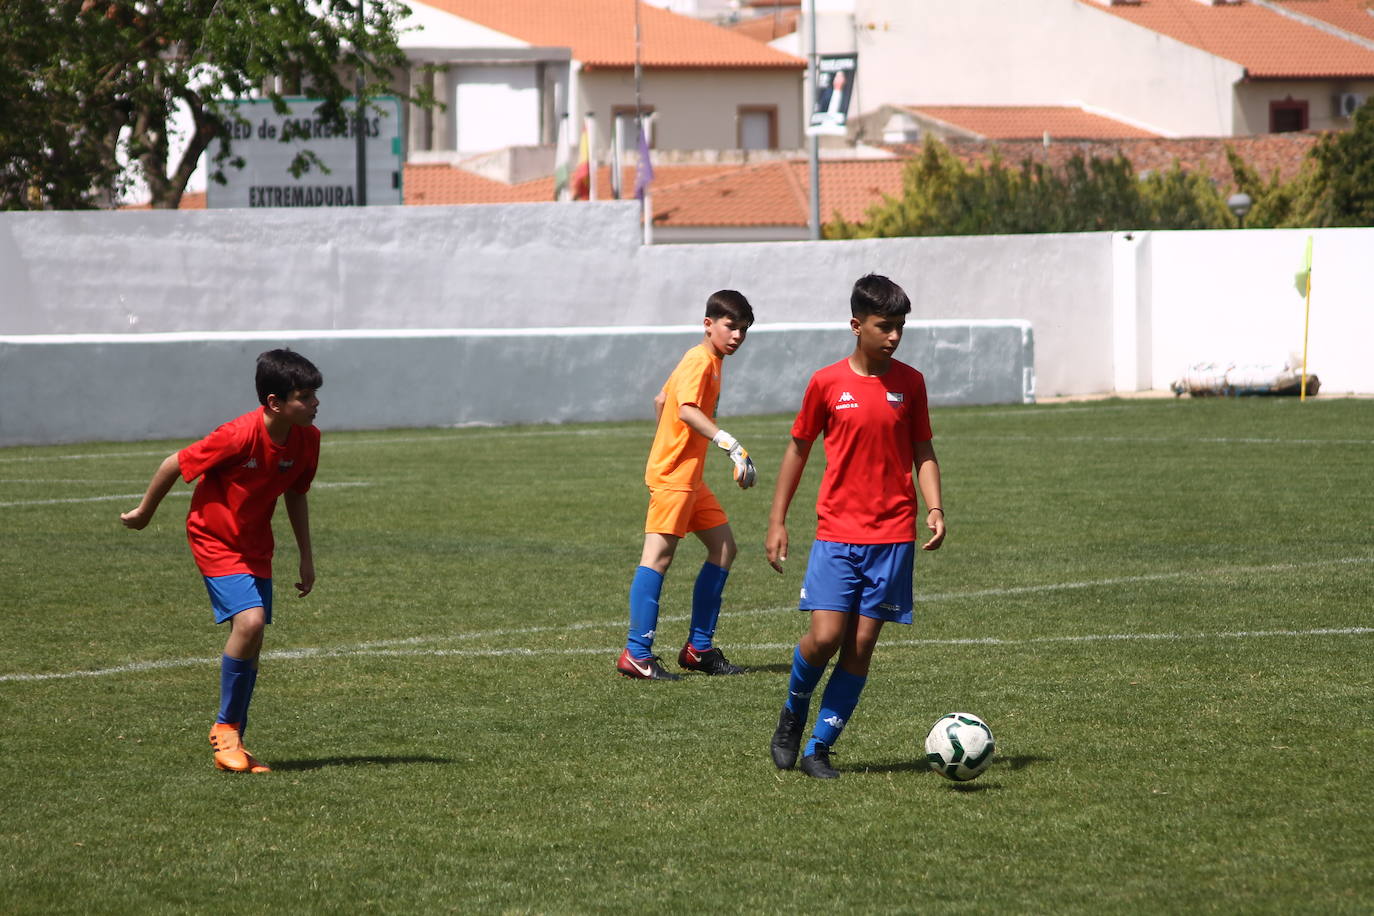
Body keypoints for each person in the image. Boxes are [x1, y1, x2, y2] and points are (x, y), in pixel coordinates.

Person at [765, 274, 946, 778]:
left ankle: (818, 748)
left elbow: (923, 449)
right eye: (884, 326)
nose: (894, 336)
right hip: (837, 534)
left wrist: (935, 507)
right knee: (825, 637)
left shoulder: (911, 383)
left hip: (893, 536)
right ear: (856, 325)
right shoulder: (826, 383)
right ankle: (793, 712)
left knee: (861, 646)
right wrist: (777, 520)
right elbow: (798, 449)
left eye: (900, 326)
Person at [121, 349, 322, 773]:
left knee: (252, 642)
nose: (315, 403)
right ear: (274, 402)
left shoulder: (308, 439)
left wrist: (306, 556)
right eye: (305, 397)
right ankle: (225, 730)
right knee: (250, 623)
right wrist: (143, 513)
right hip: (214, 539)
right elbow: (174, 463)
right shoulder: (237, 436)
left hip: (256, 545)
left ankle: (235, 743)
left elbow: (296, 493)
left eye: (314, 395)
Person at [617, 290, 759, 680]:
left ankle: (698, 649)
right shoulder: (700, 361)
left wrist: (671, 444)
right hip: (675, 477)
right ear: (708, 324)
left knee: (724, 548)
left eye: (744, 329)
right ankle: (637, 654)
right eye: (730, 326)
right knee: (656, 559)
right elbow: (684, 409)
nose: (737, 336)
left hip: (687, 476)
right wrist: (729, 444)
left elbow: (661, 400)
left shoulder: (706, 359)